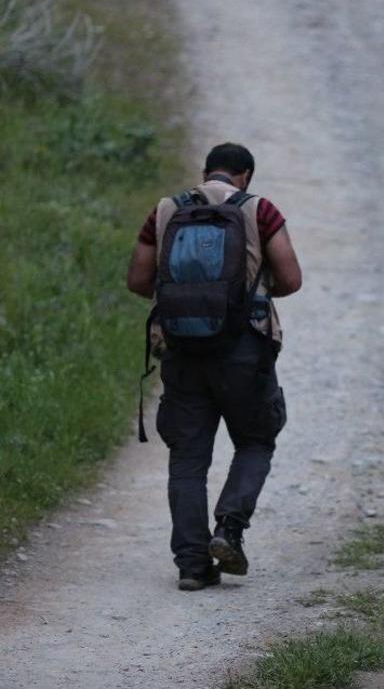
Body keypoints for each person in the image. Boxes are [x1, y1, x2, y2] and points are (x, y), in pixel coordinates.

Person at [126, 143, 302, 591]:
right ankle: (228, 529)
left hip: (183, 351)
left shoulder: (166, 211)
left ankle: (190, 565)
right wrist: (248, 294)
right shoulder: (259, 210)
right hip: (245, 352)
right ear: (245, 175)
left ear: (206, 172)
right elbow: (291, 278)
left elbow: (138, 280)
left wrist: (190, 302)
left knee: (187, 460)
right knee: (256, 441)